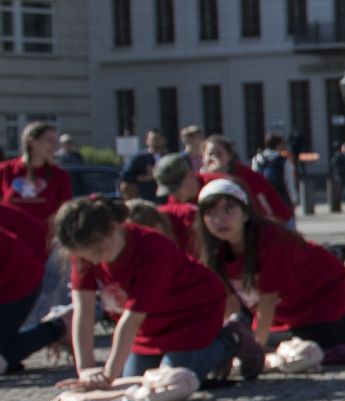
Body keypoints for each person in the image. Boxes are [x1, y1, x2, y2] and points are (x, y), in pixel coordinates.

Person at [52, 197, 249, 385]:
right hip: (150, 325)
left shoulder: (152, 248)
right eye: (87, 256)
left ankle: (230, 339)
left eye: (98, 253)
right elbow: (83, 311)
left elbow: (130, 320)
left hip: (193, 315)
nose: (94, 261)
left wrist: (109, 376)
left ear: (113, 229)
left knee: (170, 380)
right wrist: (86, 370)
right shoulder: (84, 250)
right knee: (134, 383)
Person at [191, 179, 345, 355]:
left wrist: (254, 352)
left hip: (323, 299)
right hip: (285, 308)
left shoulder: (270, 239)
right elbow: (230, 303)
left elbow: (267, 300)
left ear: (246, 213)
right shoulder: (213, 250)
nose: (219, 219)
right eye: (210, 213)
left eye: (228, 209)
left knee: (311, 350)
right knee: (269, 344)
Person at [0, 202, 62, 373]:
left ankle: (58, 327)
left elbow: (39, 235)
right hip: (9, 274)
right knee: (4, 355)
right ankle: (10, 358)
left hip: (20, 279)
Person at [2, 122, 73, 232]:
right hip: (10, 243)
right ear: (31, 142)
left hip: (44, 243)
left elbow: (65, 213)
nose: (54, 146)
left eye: (55, 142)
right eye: (49, 141)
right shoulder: (5, 170)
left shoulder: (60, 175)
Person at [120, 130, 167, 202]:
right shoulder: (140, 158)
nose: (155, 142)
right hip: (145, 198)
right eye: (153, 139)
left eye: (158, 139)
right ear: (147, 141)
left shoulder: (167, 157)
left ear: (163, 140)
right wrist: (146, 177)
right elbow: (125, 175)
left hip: (164, 198)